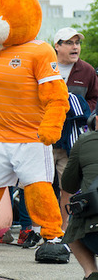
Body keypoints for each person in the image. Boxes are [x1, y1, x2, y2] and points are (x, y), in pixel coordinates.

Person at [54, 27, 98, 229]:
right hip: (44, 137)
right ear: (57, 46)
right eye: (70, 43)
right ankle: (36, 229)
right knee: (38, 185)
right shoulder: (45, 66)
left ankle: (64, 229)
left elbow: (94, 99)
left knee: (68, 187)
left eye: (77, 43)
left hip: (72, 141)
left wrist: (80, 111)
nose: (75, 47)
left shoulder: (87, 70)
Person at [61, 115, 98, 280]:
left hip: (93, 232)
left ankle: (91, 272)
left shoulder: (84, 141)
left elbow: (69, 185)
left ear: (96, 119)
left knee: (72, 227)